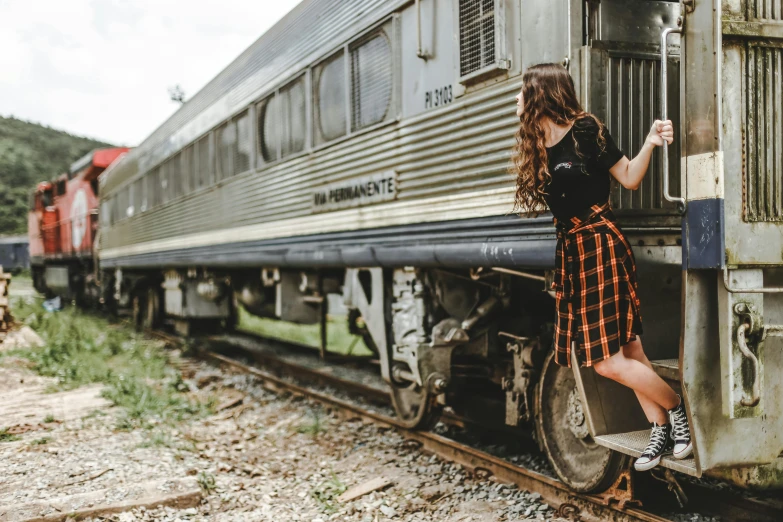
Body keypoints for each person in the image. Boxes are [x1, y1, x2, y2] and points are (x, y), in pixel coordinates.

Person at [510, 63, 691, 471]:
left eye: (522, 92)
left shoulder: (585, 130)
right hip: (574, 251)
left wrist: (648, 142)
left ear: (541, 93)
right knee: (631, 349)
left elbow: (628, 177)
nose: (516, 100)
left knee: (605, 361)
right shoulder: (539, 141)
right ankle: (659, 432)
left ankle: (678, 412)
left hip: (600, 243)